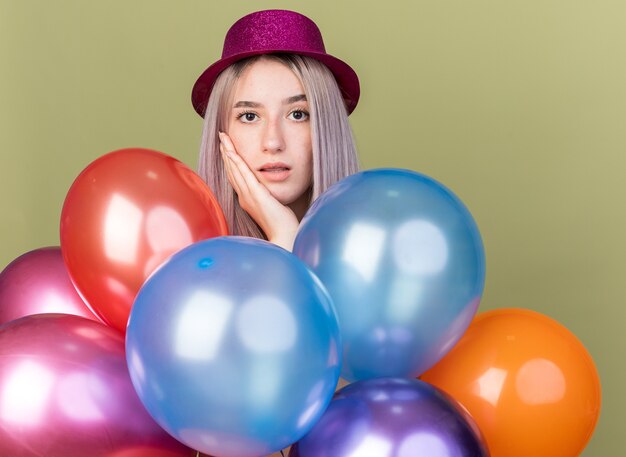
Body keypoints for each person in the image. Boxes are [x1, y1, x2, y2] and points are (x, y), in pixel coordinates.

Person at [192, 9, 361, 251]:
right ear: (221, 135)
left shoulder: (370, 251)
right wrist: (284, 236)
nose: (273, 142)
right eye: (249, 116)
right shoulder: (188, 256)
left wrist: (286, 235)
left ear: (327, 129)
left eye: (298, 114)